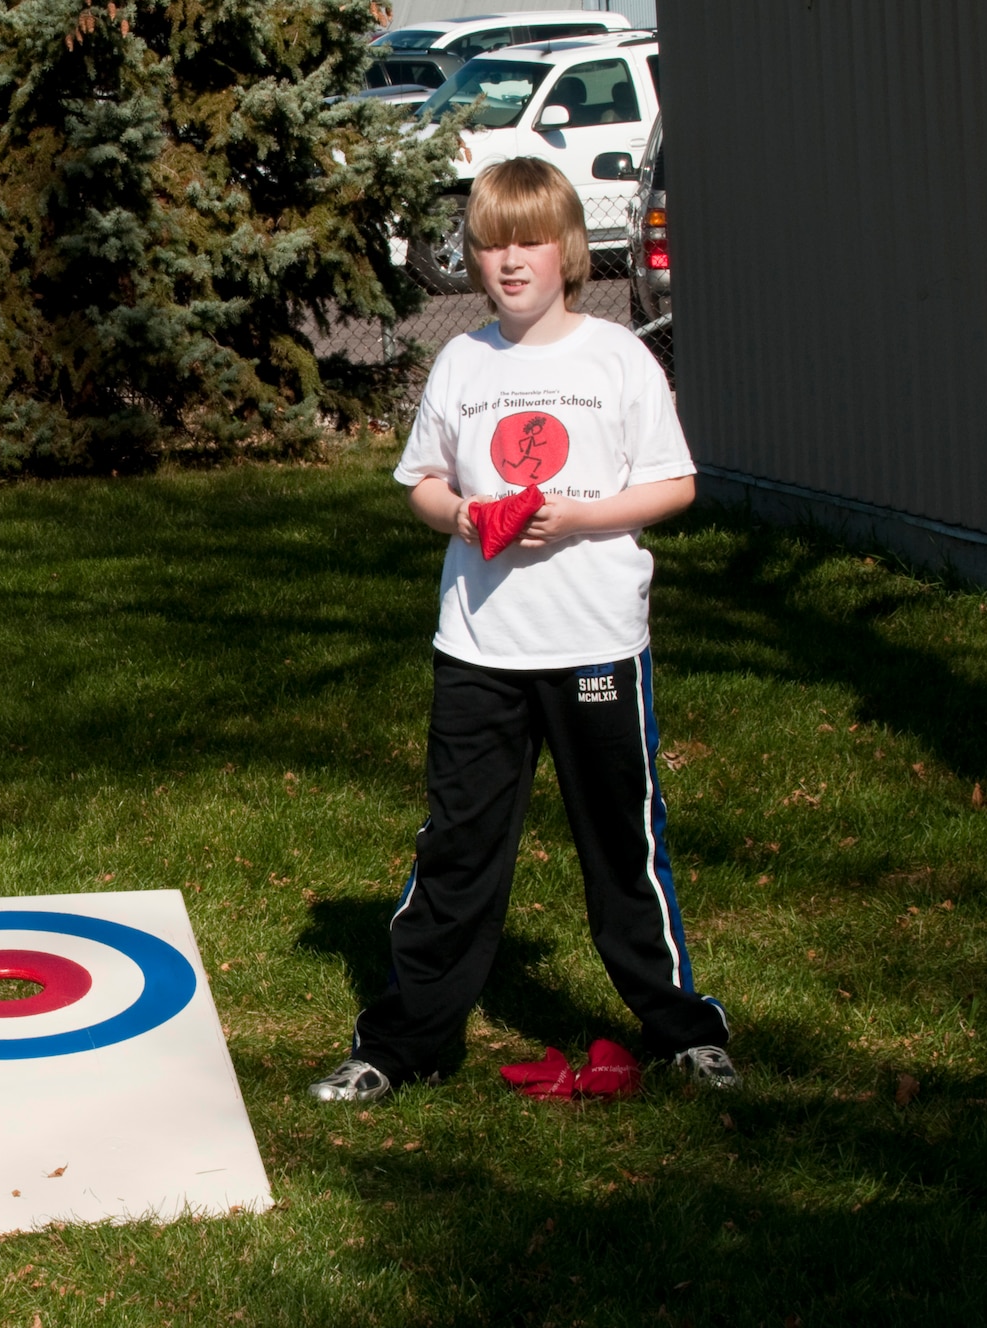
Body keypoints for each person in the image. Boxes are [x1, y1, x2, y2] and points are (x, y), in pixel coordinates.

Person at [309, 158, 737, 1105]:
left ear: (568, 250)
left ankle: (682, 1031)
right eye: (492, 242)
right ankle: (402, 1043)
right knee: (456, 849)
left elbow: (677, 483)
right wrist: (463, 516)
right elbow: (424, 483)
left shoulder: (618, 356)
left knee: (624, 847)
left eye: (529, 240)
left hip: (593, 647)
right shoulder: (464, 363)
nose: (510, 261)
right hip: (480, 652)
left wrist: (579, 518)